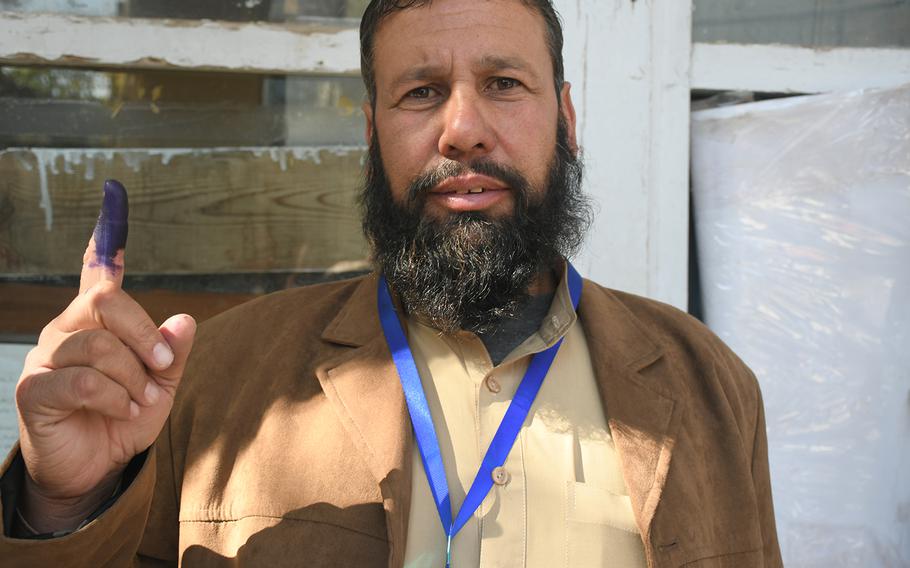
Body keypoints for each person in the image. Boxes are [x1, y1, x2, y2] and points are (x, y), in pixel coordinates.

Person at [1, 0, 782, 566]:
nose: (463, 127)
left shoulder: (710, 386)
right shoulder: (216, 379)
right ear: (373, 134)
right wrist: (63, 503)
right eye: (422, 92)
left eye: (505, 83)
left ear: (567, 120)